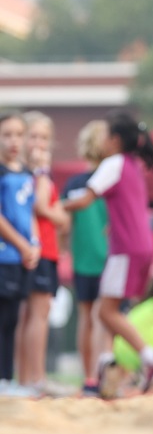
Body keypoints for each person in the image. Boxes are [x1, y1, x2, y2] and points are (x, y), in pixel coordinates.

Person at [62, 111, 153, 399]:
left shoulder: (113, 163)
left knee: (105, 311)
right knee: (111, 310)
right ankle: (107, 366)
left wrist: (57, 206)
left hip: (125, 249)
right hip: (142, 246)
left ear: (115, 139)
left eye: (105, 136)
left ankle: (149, 357)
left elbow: (85, 198)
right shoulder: (133, 165)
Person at [15, 112, 70, 394]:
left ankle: (31, 377)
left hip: (48, 249)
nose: (38, 143)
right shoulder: (30, 174)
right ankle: (32, 378)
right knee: (32, 314)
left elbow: (61, 216)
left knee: (38, 313)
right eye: (33, 136)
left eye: (44, 138)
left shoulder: (42, 174)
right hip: (35, 249)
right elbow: (41, 207)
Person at [61, 119, 109, 396]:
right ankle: (90, 376)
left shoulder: (113, 180)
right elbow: (66, 224)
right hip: (84, 259)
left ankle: (103, 374)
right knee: (88, 316)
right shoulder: (76, 184)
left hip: (109, 258)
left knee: (102, 315)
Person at [0, 112, 39, 395]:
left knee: (14, 319)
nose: (14, 141)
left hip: (21, 258)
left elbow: (30, 212)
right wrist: (21, 244)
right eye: (7, 134)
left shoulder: (26, 172)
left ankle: (7, 380)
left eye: (18, 134)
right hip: (4, 255)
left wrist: (33, 244)